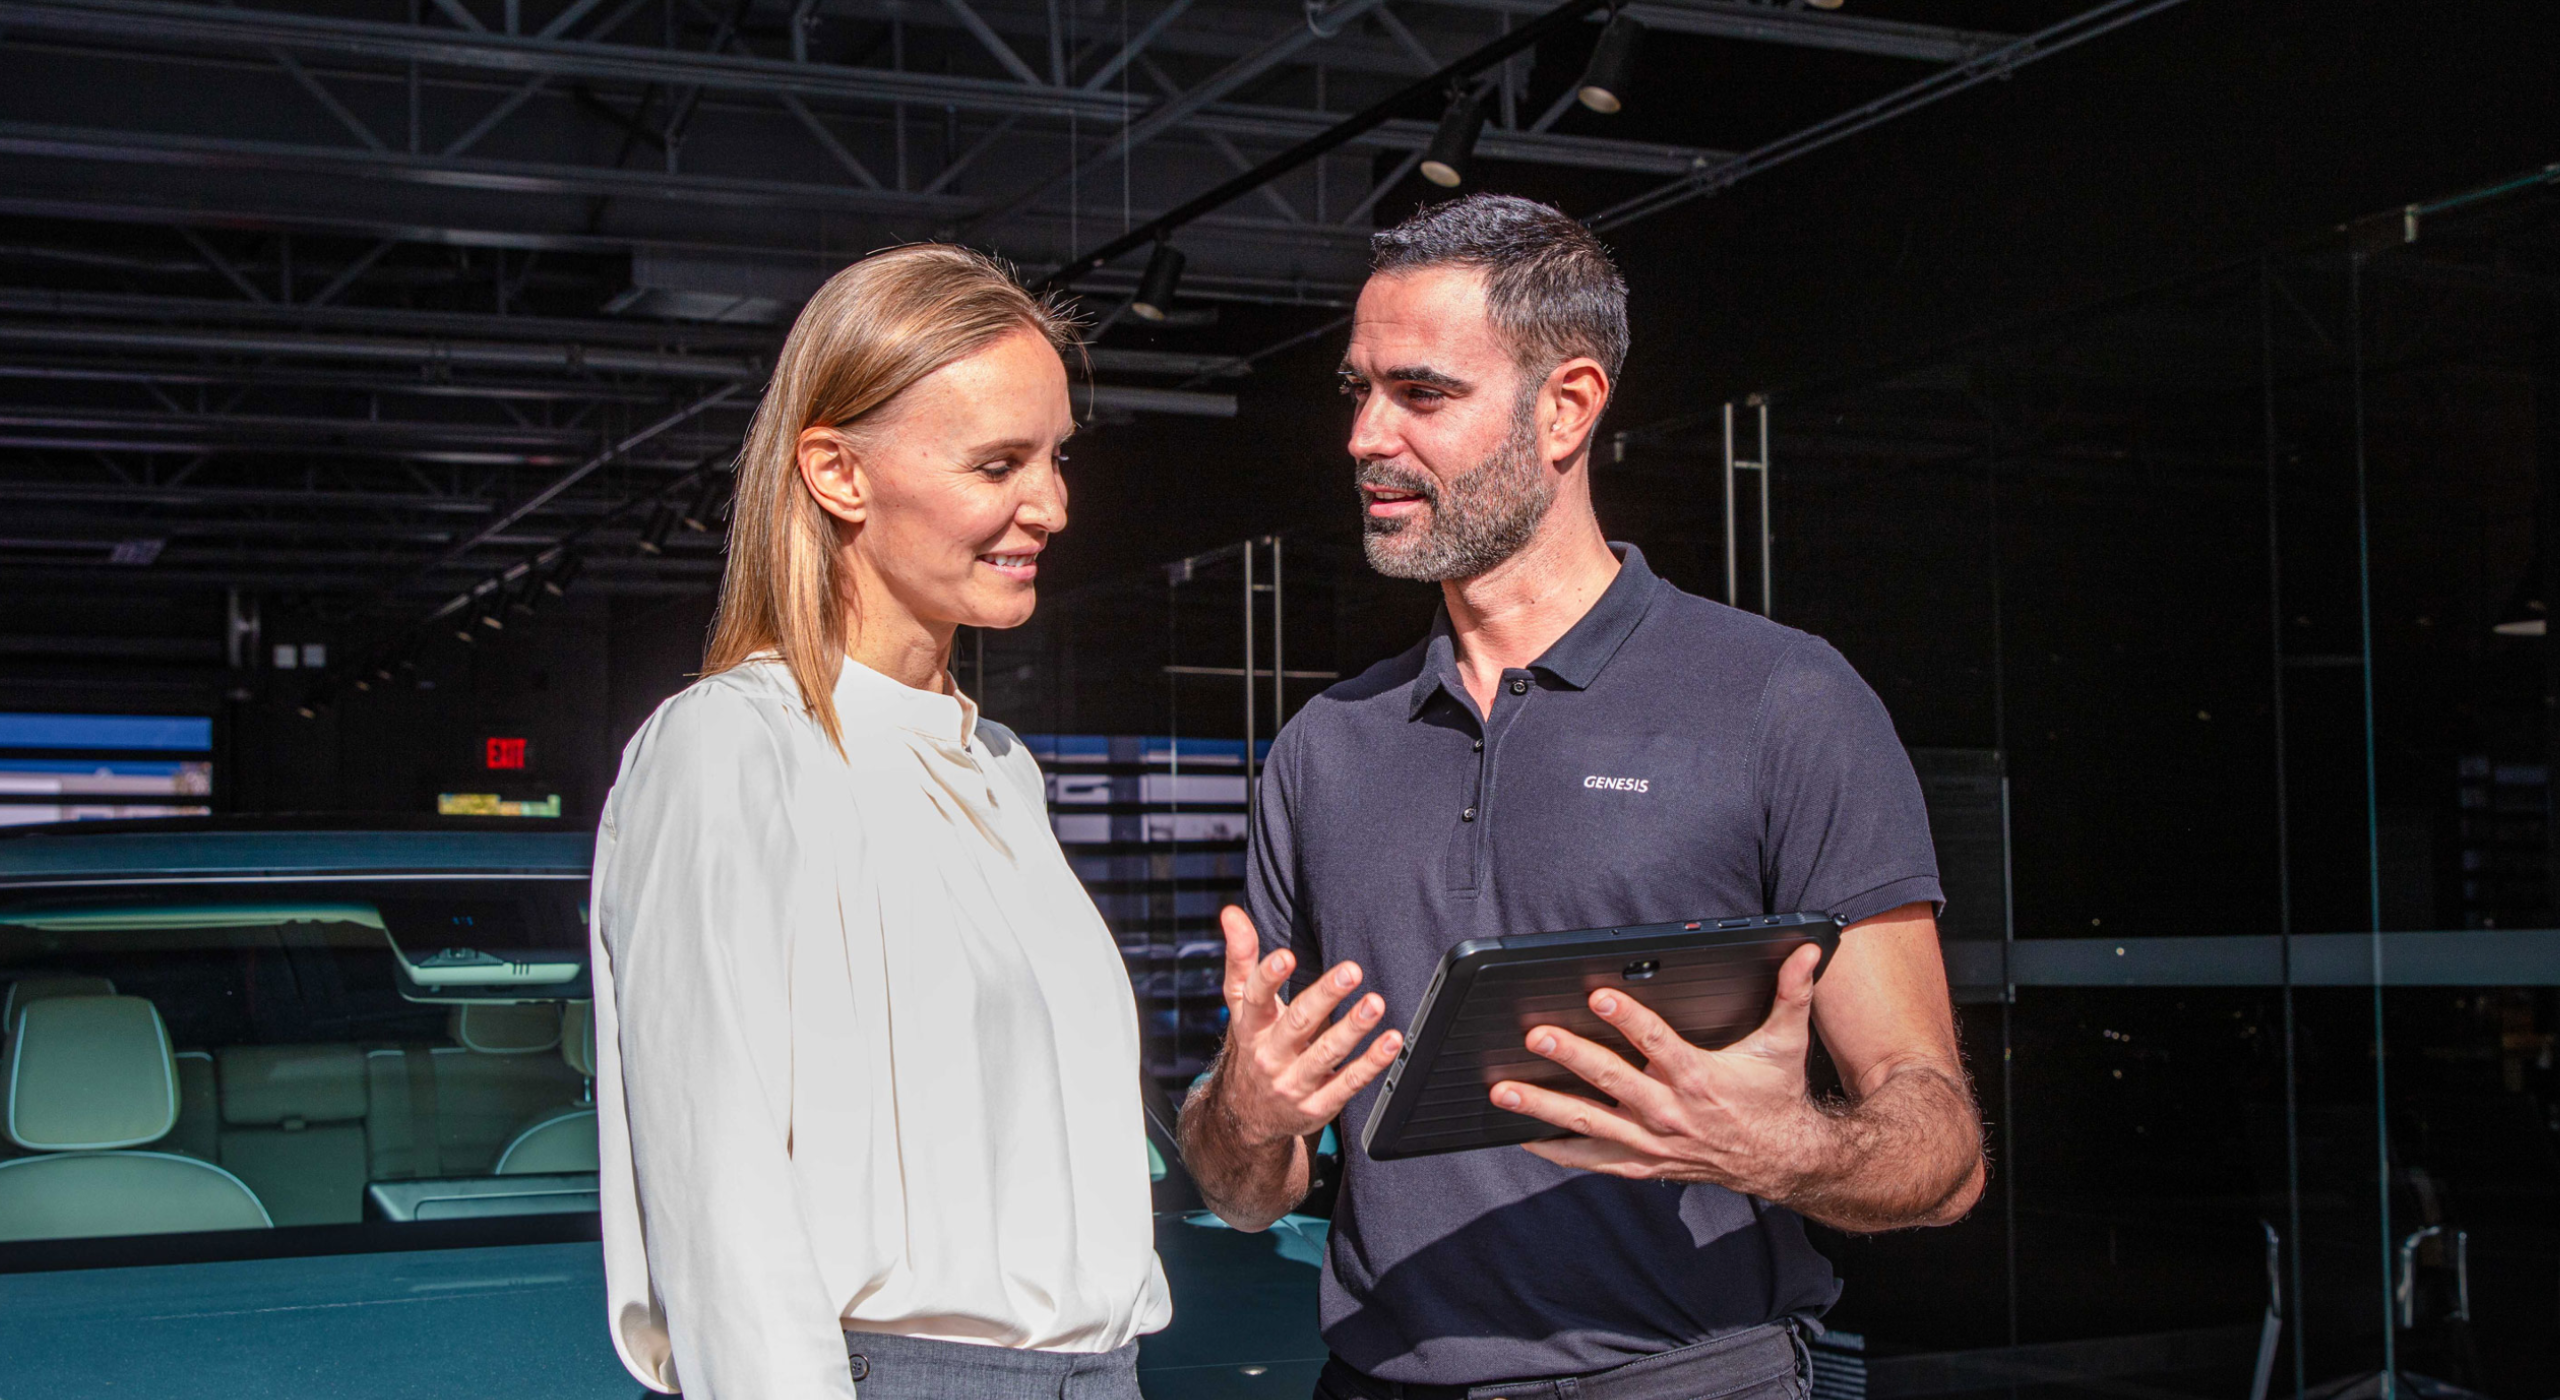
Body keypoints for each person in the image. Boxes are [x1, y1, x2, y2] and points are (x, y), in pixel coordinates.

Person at [1175, 194, 1988, 1400]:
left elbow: (1944, 1148)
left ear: (1566, 407)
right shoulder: (1324, 748)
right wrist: (1243, 1115)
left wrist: (1785, 1146)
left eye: (1422, 392)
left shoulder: (1781, 699)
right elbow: (1249, 1194)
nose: (1365, 436)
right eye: (1360, 390)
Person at [590, 244, 1170, 1400]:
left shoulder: (1001, 768)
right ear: (837, 472)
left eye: (1056, 456)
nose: (1052, 505)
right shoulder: (729, 749)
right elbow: (720, 1204)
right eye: (998, 462)